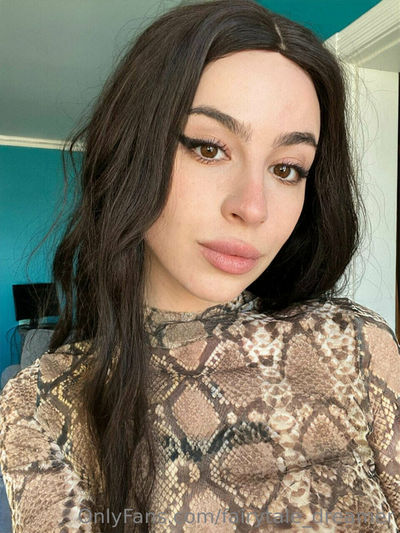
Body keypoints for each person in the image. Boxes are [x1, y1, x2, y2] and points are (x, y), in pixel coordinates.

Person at [0, 0, 399, 531]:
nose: (252, 208)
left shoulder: (355, 343)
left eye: (287, 168)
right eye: (209, 148)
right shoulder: (40, 404)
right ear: (131, 151)